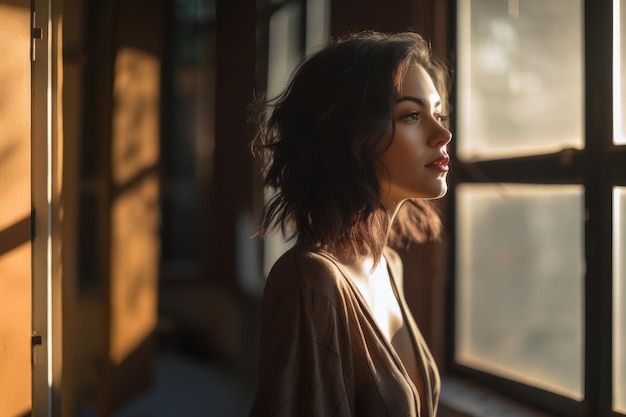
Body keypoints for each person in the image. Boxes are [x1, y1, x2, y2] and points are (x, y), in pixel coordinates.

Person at [248, 31, 452, 417]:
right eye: (411, 115)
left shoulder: (389, 265)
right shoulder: (309, 280)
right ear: (349, 136)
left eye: (438, 114)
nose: (442, 134)